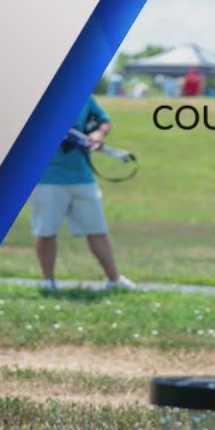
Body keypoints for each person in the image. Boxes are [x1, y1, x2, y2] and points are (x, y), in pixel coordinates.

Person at [29, 96, 137, 292]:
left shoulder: (83, 96)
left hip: (83, 178)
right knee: (46, 232)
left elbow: (105, 120)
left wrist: (99, 133)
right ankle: (48, 282)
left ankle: (114, 280)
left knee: (98, 230)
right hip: (46, 179)